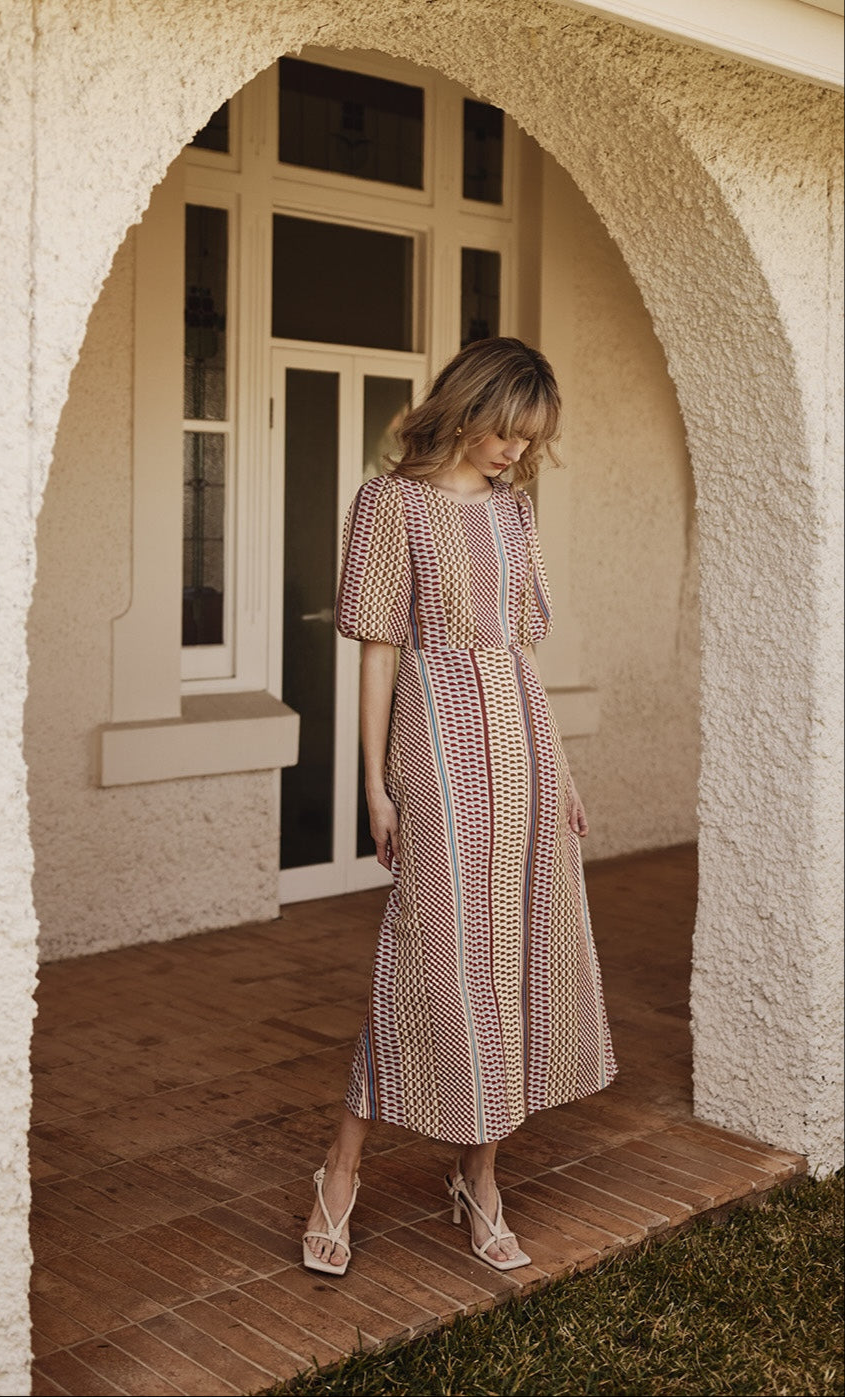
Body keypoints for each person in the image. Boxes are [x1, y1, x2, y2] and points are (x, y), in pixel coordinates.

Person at [303, 337, 617, 1275]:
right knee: (428, 959)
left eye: (528, 439)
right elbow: (375, 648)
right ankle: (340, 1169)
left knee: (515, 958)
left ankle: (479, 1181)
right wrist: (372, 779)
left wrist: (558, 770)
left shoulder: (515, 514)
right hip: (434, 746)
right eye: (501, 431)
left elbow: (523, 650)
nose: (512, 452)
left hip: (518, 742)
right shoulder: (388, 503)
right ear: (462, 406)